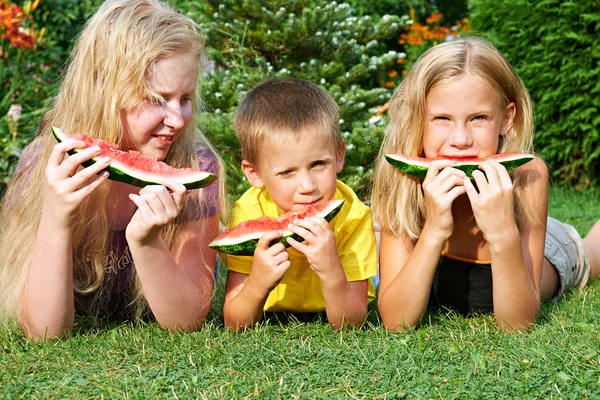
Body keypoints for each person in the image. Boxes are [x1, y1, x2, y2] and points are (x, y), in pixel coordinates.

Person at [0, 0, 226, 340]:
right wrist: (55, 220)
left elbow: (186, 320)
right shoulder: (47, 165)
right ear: (103, 92)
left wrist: (148, 241)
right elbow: (44, 332)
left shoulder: (196, 168)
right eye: (155, 98)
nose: (177, 119)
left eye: (185, 98)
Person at [371, 37, 600, 332]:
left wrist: (502, 231)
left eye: (478, 118)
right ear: (418, 119)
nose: (460, 139)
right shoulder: (401, 177)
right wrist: (434, 230)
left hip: (547, 252)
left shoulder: (527, 175)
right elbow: (395, 322)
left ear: (506, 119)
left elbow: (517, 324)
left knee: (593, 252)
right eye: (442, 118)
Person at [221, 78, 378, 331]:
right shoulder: (250, 209)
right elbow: (234, 323)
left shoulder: (353, 216)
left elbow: (351, 324)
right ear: (254, 173)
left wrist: (331, 271)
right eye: (286, 172)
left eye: (318, 165)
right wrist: (258, 282)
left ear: (339, 156)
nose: (307, 186)